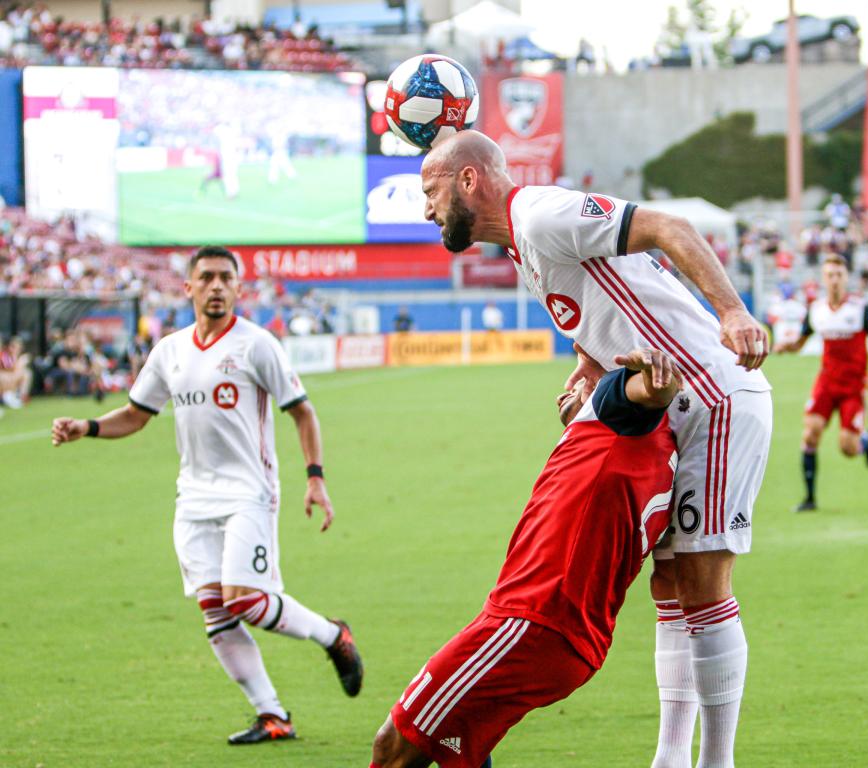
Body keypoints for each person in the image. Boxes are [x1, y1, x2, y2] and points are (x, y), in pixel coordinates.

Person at [419, 130, 772, 768]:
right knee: (667, 586)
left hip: (715, 396)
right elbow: (603, 302)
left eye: (431, 189)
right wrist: (587, 367)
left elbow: (668, 226)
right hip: (665, 408)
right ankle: (670, 757)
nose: (426, 208)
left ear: (468, 180)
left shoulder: (542, 213)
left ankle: (716, 761)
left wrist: (733, 312)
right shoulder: (523, 248)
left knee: (703, 585)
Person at [50, 246, 363, 745]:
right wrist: (85, 426)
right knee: (216, 612)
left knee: (245, 600)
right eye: (206, 278)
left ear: (238, 288)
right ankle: (273, 715)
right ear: (189, 288)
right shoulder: (169, 351)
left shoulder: (257, 345)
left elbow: (302, 411)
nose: (216, 286)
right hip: (192, 499)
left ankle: (333, 636)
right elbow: (135, 414)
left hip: (249, 493)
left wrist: (315, 477)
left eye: (225, 278)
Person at [371, 348, 682, 768]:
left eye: (583, 357)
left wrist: (654, 381)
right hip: (559, 631)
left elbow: (649, 392)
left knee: (395, 745)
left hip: (533, 620)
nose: (573, 375)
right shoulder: (652, 451)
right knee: (460, 742)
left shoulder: (617, 405)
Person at [774, 254, 868, 512]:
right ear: (824, 278)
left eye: (839, 274)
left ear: (846, 277)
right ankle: (809, 498)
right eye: (830, 275)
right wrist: (786, 346)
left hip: (853, 387)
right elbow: (801, 343)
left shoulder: (860, 308)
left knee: (848, 449)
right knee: (810, 432)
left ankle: (865, 440)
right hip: (826, 383)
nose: (835, 280)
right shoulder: (817, 309)